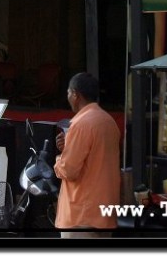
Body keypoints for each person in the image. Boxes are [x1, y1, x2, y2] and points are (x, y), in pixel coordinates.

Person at [53, 72, 121, 238]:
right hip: (105, 210)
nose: (68, 97)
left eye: (69, 93)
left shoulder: (81, 124)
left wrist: (59, 160)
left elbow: (69, 170)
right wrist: (67, 148)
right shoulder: (108, 121)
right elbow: (95, 159)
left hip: (82, 215)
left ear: (76, 95)